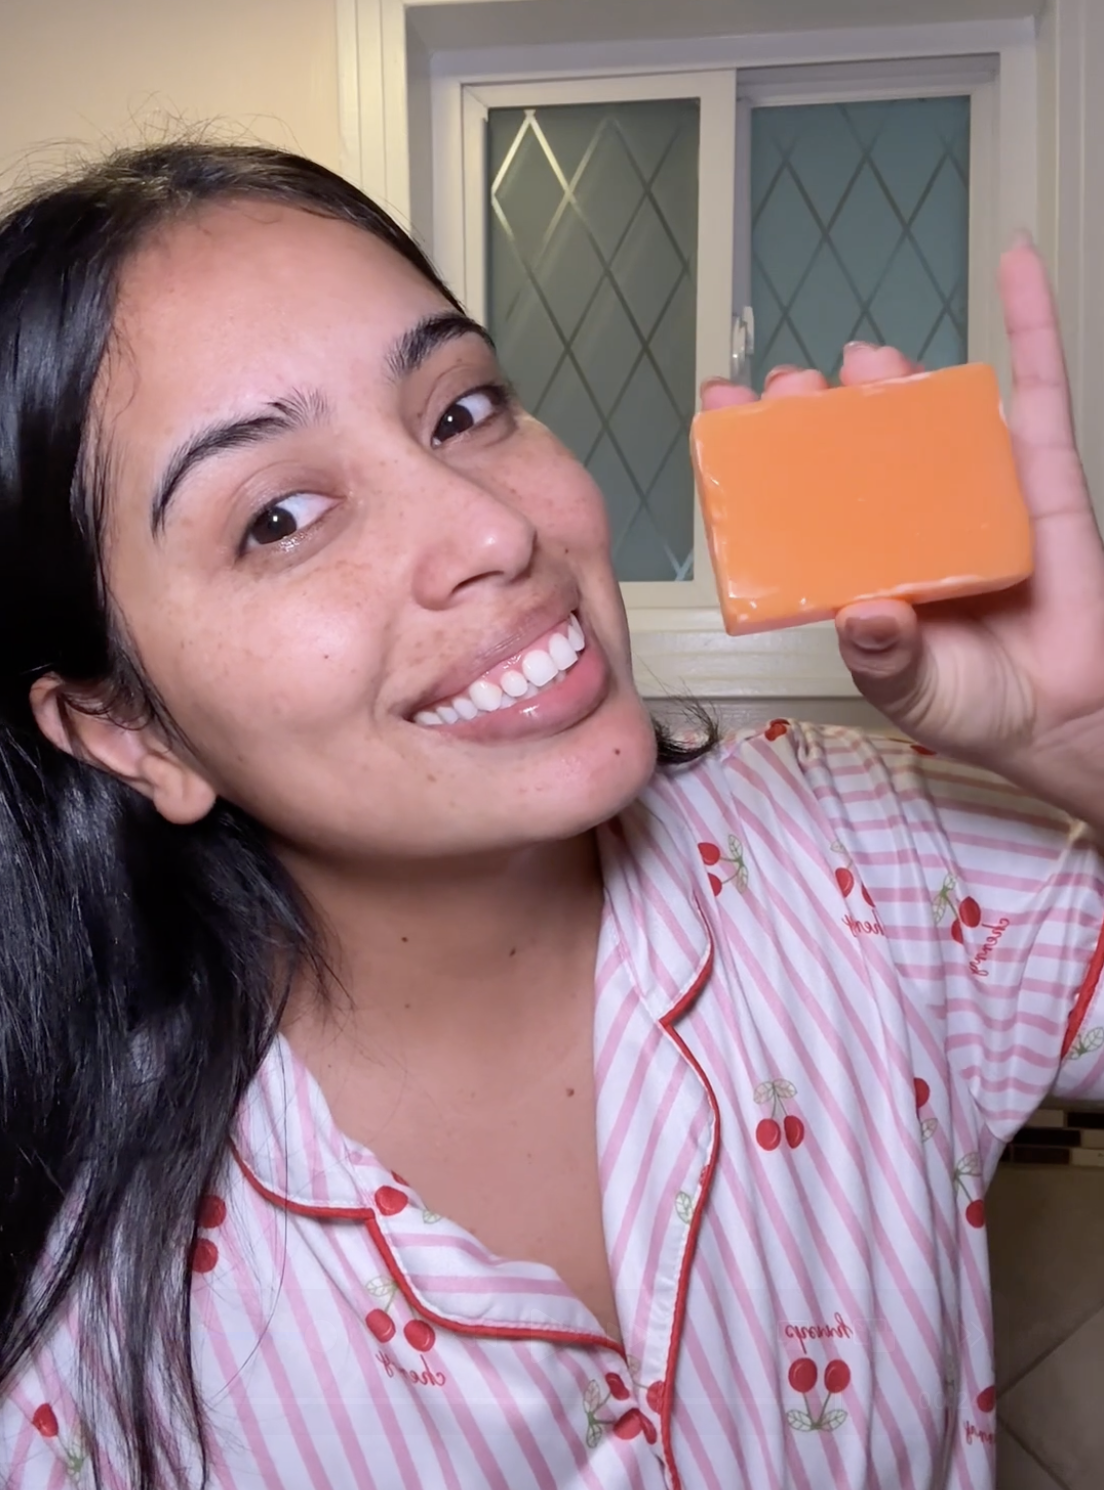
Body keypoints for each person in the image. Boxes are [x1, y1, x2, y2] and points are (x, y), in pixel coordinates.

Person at [1, 141, 1102, 1490]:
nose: (493, 531)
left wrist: (1085, 740)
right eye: (279, 517)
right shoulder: (71, 1339)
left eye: (462, 410)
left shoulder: (867, 859)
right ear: (127, 729)